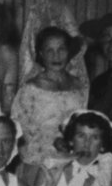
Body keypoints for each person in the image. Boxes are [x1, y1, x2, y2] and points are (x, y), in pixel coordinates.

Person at [11, 15, 88, 176]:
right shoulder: (30, 88)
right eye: (50, 51)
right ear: (41, 54)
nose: (56, 56)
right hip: (38, 162)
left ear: (68, 52)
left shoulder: (79, 86)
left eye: (61, 49)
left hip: (73, 159)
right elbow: (18, 128)